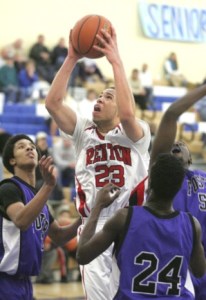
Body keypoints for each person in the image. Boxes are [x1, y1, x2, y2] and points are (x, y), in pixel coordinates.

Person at [45, 26, 151, 300]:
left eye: (108, 96)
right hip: (94, 224)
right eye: (99, 95)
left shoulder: (135, 133)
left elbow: (128, 113)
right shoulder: (84, 133)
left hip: (132, 222)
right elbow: (53, 104)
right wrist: (71, 58)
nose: (100, 99)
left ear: (120, 105)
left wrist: (115, 60)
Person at [76, 163, 206, 299]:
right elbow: (199, 271)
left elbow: (82, 255)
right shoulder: (192, 225)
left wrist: (98, 206)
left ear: (149, 183)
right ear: (179, 188)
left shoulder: (125, 218)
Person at [0, 134, 81, 299]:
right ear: (12, 161)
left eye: (31, 145)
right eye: (21, 147)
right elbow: (22, 220)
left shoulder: (39, 200)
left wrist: (85, 215)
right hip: (4, 281)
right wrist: (49, 185)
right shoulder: (8, 188)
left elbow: (59, 236)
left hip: (25, 283)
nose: (29, 147)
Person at [148, 84, 206, 300]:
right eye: (172, 143)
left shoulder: (202, 177)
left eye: (182, 144)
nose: (177, 143)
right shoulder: (159, 173)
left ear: (190, 159)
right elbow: (171, 114)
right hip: (172, 262)